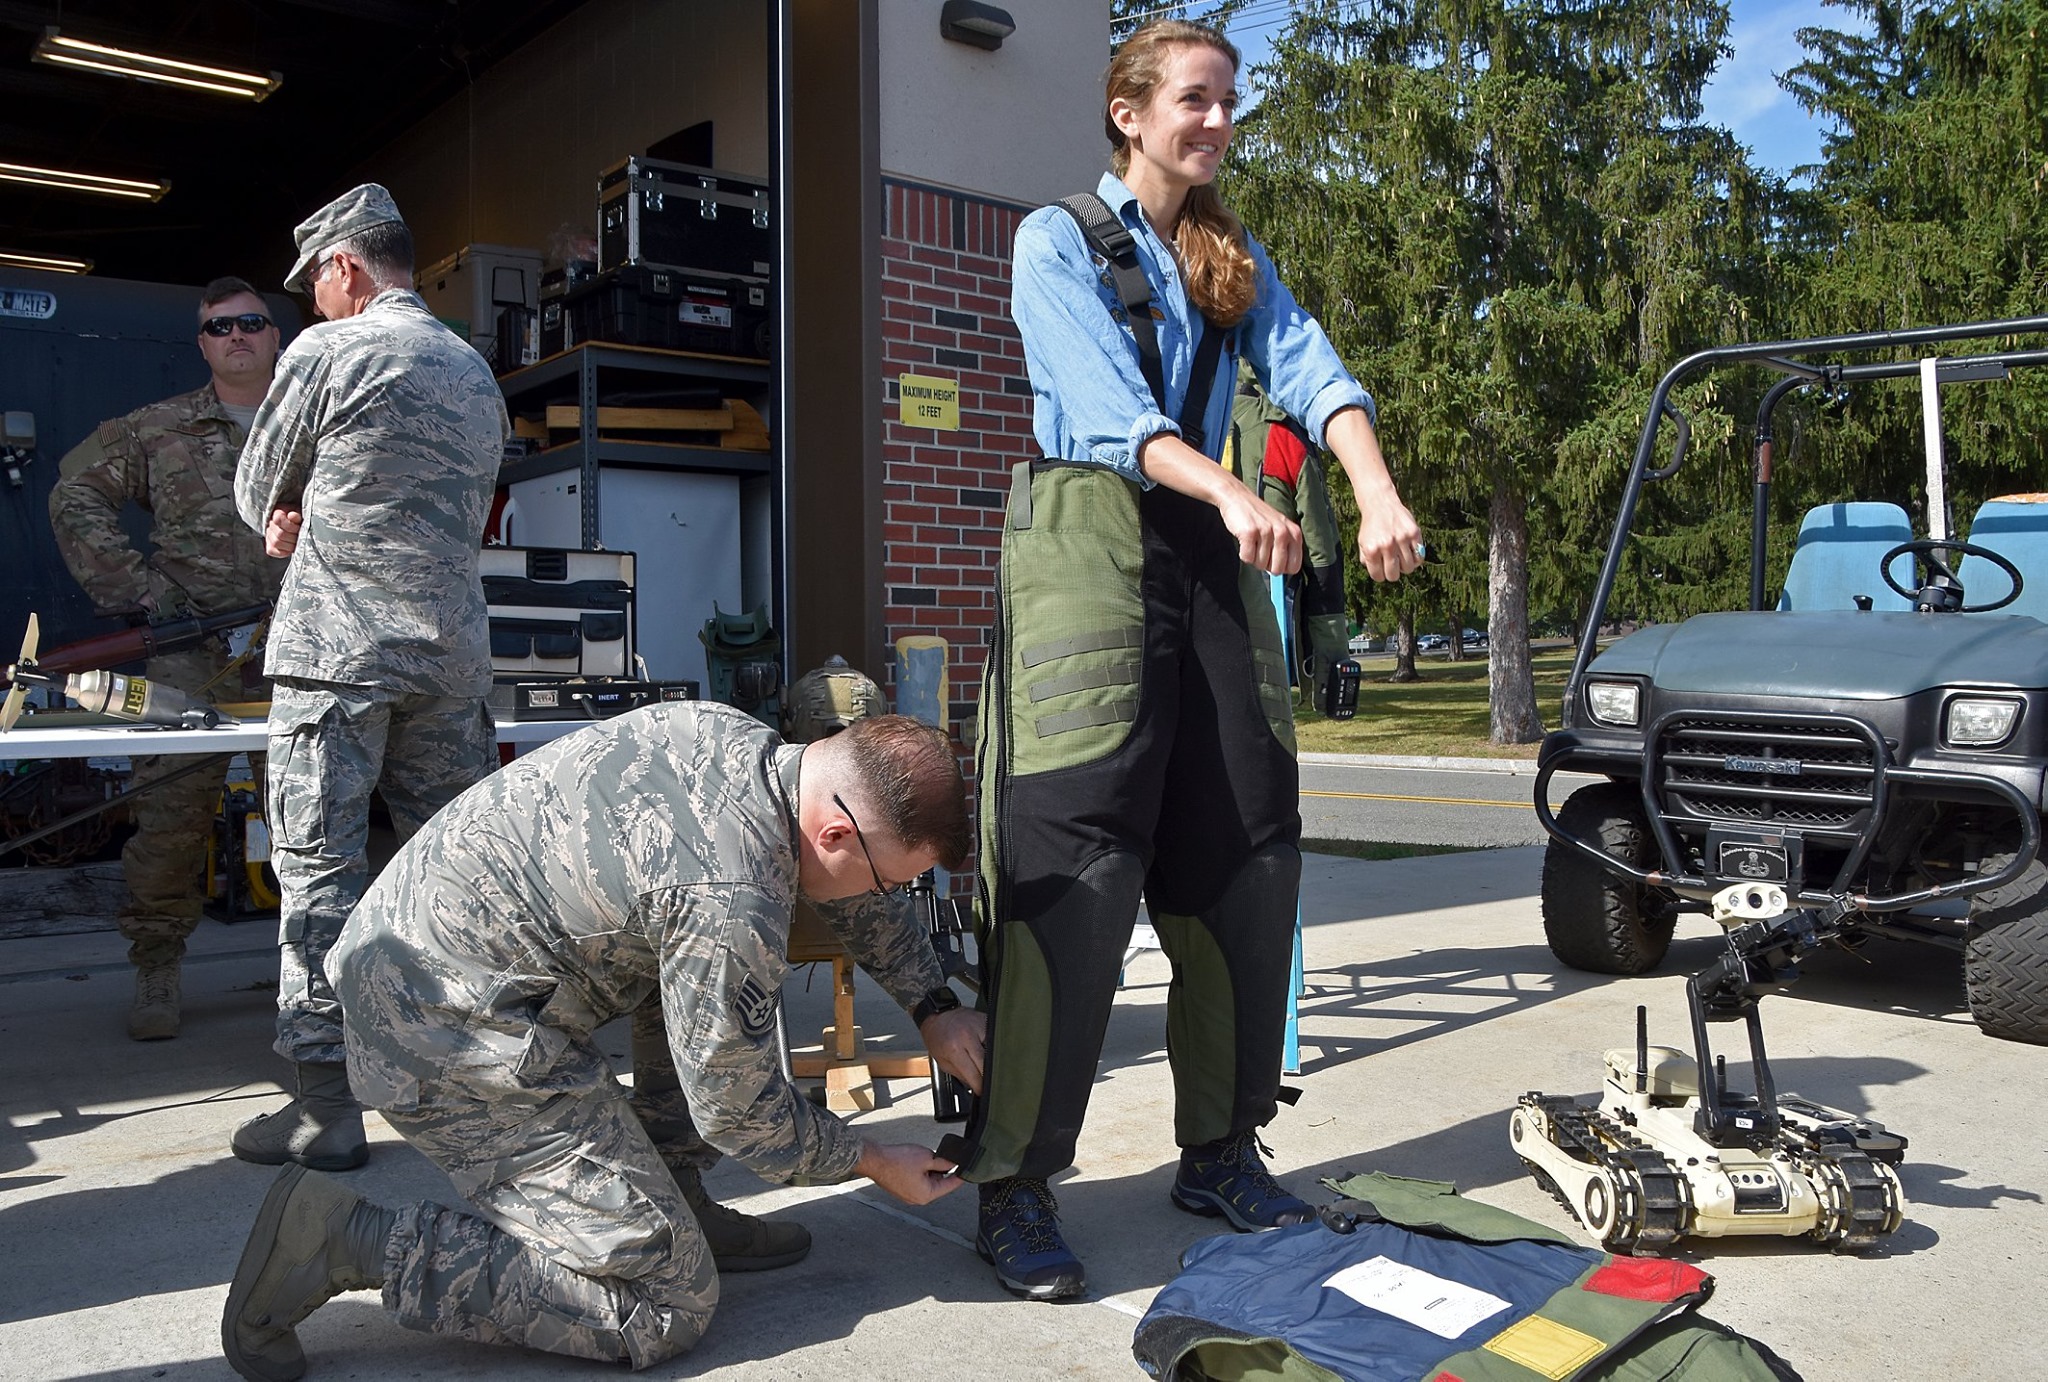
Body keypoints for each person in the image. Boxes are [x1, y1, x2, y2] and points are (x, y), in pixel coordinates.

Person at [953, 18, 1423, 1301]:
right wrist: (1228, 489)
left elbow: (1312, 368)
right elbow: (1112, 415)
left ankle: (1220, 1147)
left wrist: (1372, 490)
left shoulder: (1229, 255)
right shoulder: (1054, 240)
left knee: (1245, 848)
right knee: (1071, 859)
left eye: (1228, 102)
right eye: (1195, 100)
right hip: (1086, 549)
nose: (1217, 121)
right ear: (1128, 112)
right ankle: (1014, 1181)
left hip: (1211, 556)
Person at [220, 705, 984, 1379]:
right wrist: (871, 1158)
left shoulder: (743, 748)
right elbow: (739, 1110)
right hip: (439, 1032)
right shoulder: (729, 894)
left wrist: (933, 1005)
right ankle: (345, 1239)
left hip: (429, 961)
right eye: (890, 883)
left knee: (687, 979)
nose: (883, 898)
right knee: (666, 1303)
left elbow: (844, 880)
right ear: (837, 832)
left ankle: (674, 1201)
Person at [229, 185, 507, 1174]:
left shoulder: (328, 351)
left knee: (318, 871)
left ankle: (324, 1109)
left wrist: (287, 514)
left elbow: (256, 486)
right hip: (449, 658)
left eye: (313, 283)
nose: (310, 302)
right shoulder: (474, 370)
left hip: (339, 654)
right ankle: (478, 1088)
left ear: (345, 265)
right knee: (459, 872)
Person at [47, 276, 287, 1041]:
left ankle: (318, 976)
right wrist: (141, 591)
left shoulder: (314, 425)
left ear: (275, 335)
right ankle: (157, 965)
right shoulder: (158, 427)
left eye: (250, 322)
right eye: (220, 327)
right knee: (172, 818)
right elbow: (74, 492)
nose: (236, 336)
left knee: (311, 818)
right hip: (192, 648)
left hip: (297, 647)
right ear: (203, 344)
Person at [1225, 363, 1353, 696]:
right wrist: (1330, 666)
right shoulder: (1281, 435)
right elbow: (1322, 555)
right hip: (1266, 642)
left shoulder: (1170, 427)